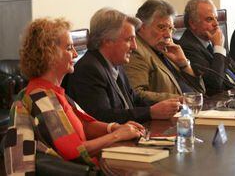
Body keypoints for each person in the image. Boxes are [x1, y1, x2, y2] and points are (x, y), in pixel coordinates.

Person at [4, 18, 145, 175]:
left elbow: (84, 125)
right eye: (69, 48)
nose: (76, 54)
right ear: (50, 53)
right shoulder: (42, 98)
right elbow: (75, 151)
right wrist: (117, 135)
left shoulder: (52, 91)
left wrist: (113, 127)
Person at [66, 8, 180, 123]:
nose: (134, 46)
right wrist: (150, 112)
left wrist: (169, 104)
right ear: (107, 40)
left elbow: (134, 99)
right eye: (129, 40)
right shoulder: (89, 70)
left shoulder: (116, 63)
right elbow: (102, 117)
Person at [123, 0, 205, 102]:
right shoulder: (135, 51)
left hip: (191, 111)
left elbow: (200, 92)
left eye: (170, 28)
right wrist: (181, 100)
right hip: (167, 115)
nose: (167, 35)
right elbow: (137, 94)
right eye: (161, 27)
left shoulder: (168, 49)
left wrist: (184, 64)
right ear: (142, 27)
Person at [175, 0, 235, 96]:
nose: (216, 24)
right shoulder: (187, 47)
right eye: (209, 19)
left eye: (216, 18)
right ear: (192, 23)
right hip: (218, 102)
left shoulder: (209, 41)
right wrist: (218, 47)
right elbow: (215, 83)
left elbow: (233, 67)